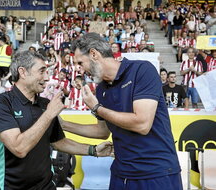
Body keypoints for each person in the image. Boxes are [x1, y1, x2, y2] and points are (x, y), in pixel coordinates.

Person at [60, 32, 182, 190]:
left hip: (156, 172)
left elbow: (142, 124)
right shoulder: (101, 89)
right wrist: (63, 125)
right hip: (121, 173)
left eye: (80, 63)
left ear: (94, 54)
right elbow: (102, 131)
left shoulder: (142, 70)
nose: (79, 70)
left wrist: (97, 108)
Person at [0, 50, 113, 190]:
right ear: (23, 72)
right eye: (42, 71)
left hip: (47, 186)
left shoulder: (44, 104)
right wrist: (49, 114)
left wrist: (93, 150)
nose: (47, 78)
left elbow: (59, 142)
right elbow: (19, 148)